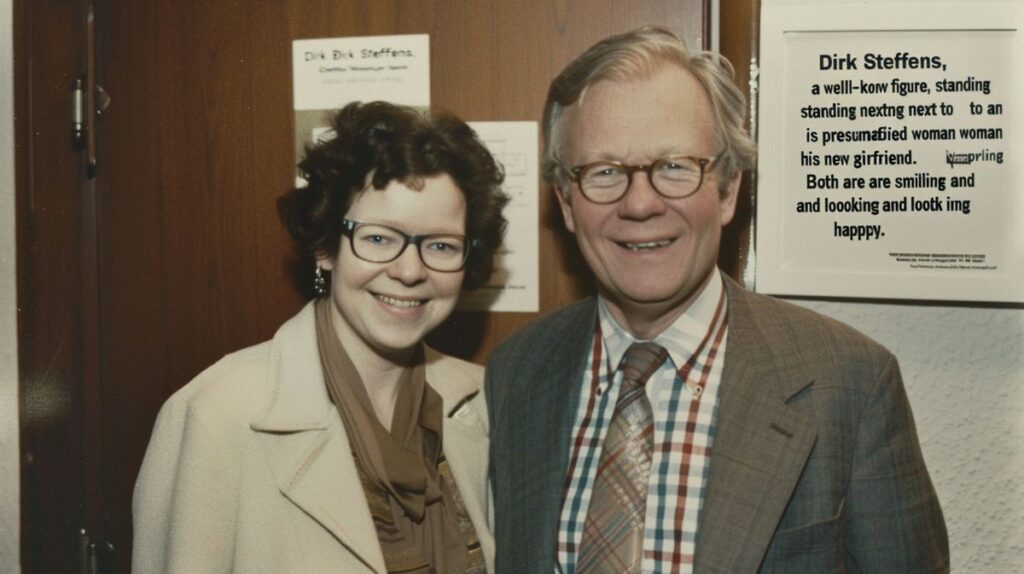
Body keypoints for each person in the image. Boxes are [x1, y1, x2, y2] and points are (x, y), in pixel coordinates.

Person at [485, 26, 948, 573]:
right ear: (565, 201)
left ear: (728, 190)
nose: (640, 204)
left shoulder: (850, 384)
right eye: (604, 172)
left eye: (675, 167)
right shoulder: (517, 373)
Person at [133, 101, 508, 573]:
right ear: (325, 247)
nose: (410, 271)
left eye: (440, 245)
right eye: (377, 238)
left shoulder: (486, 402)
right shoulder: (217, 413)